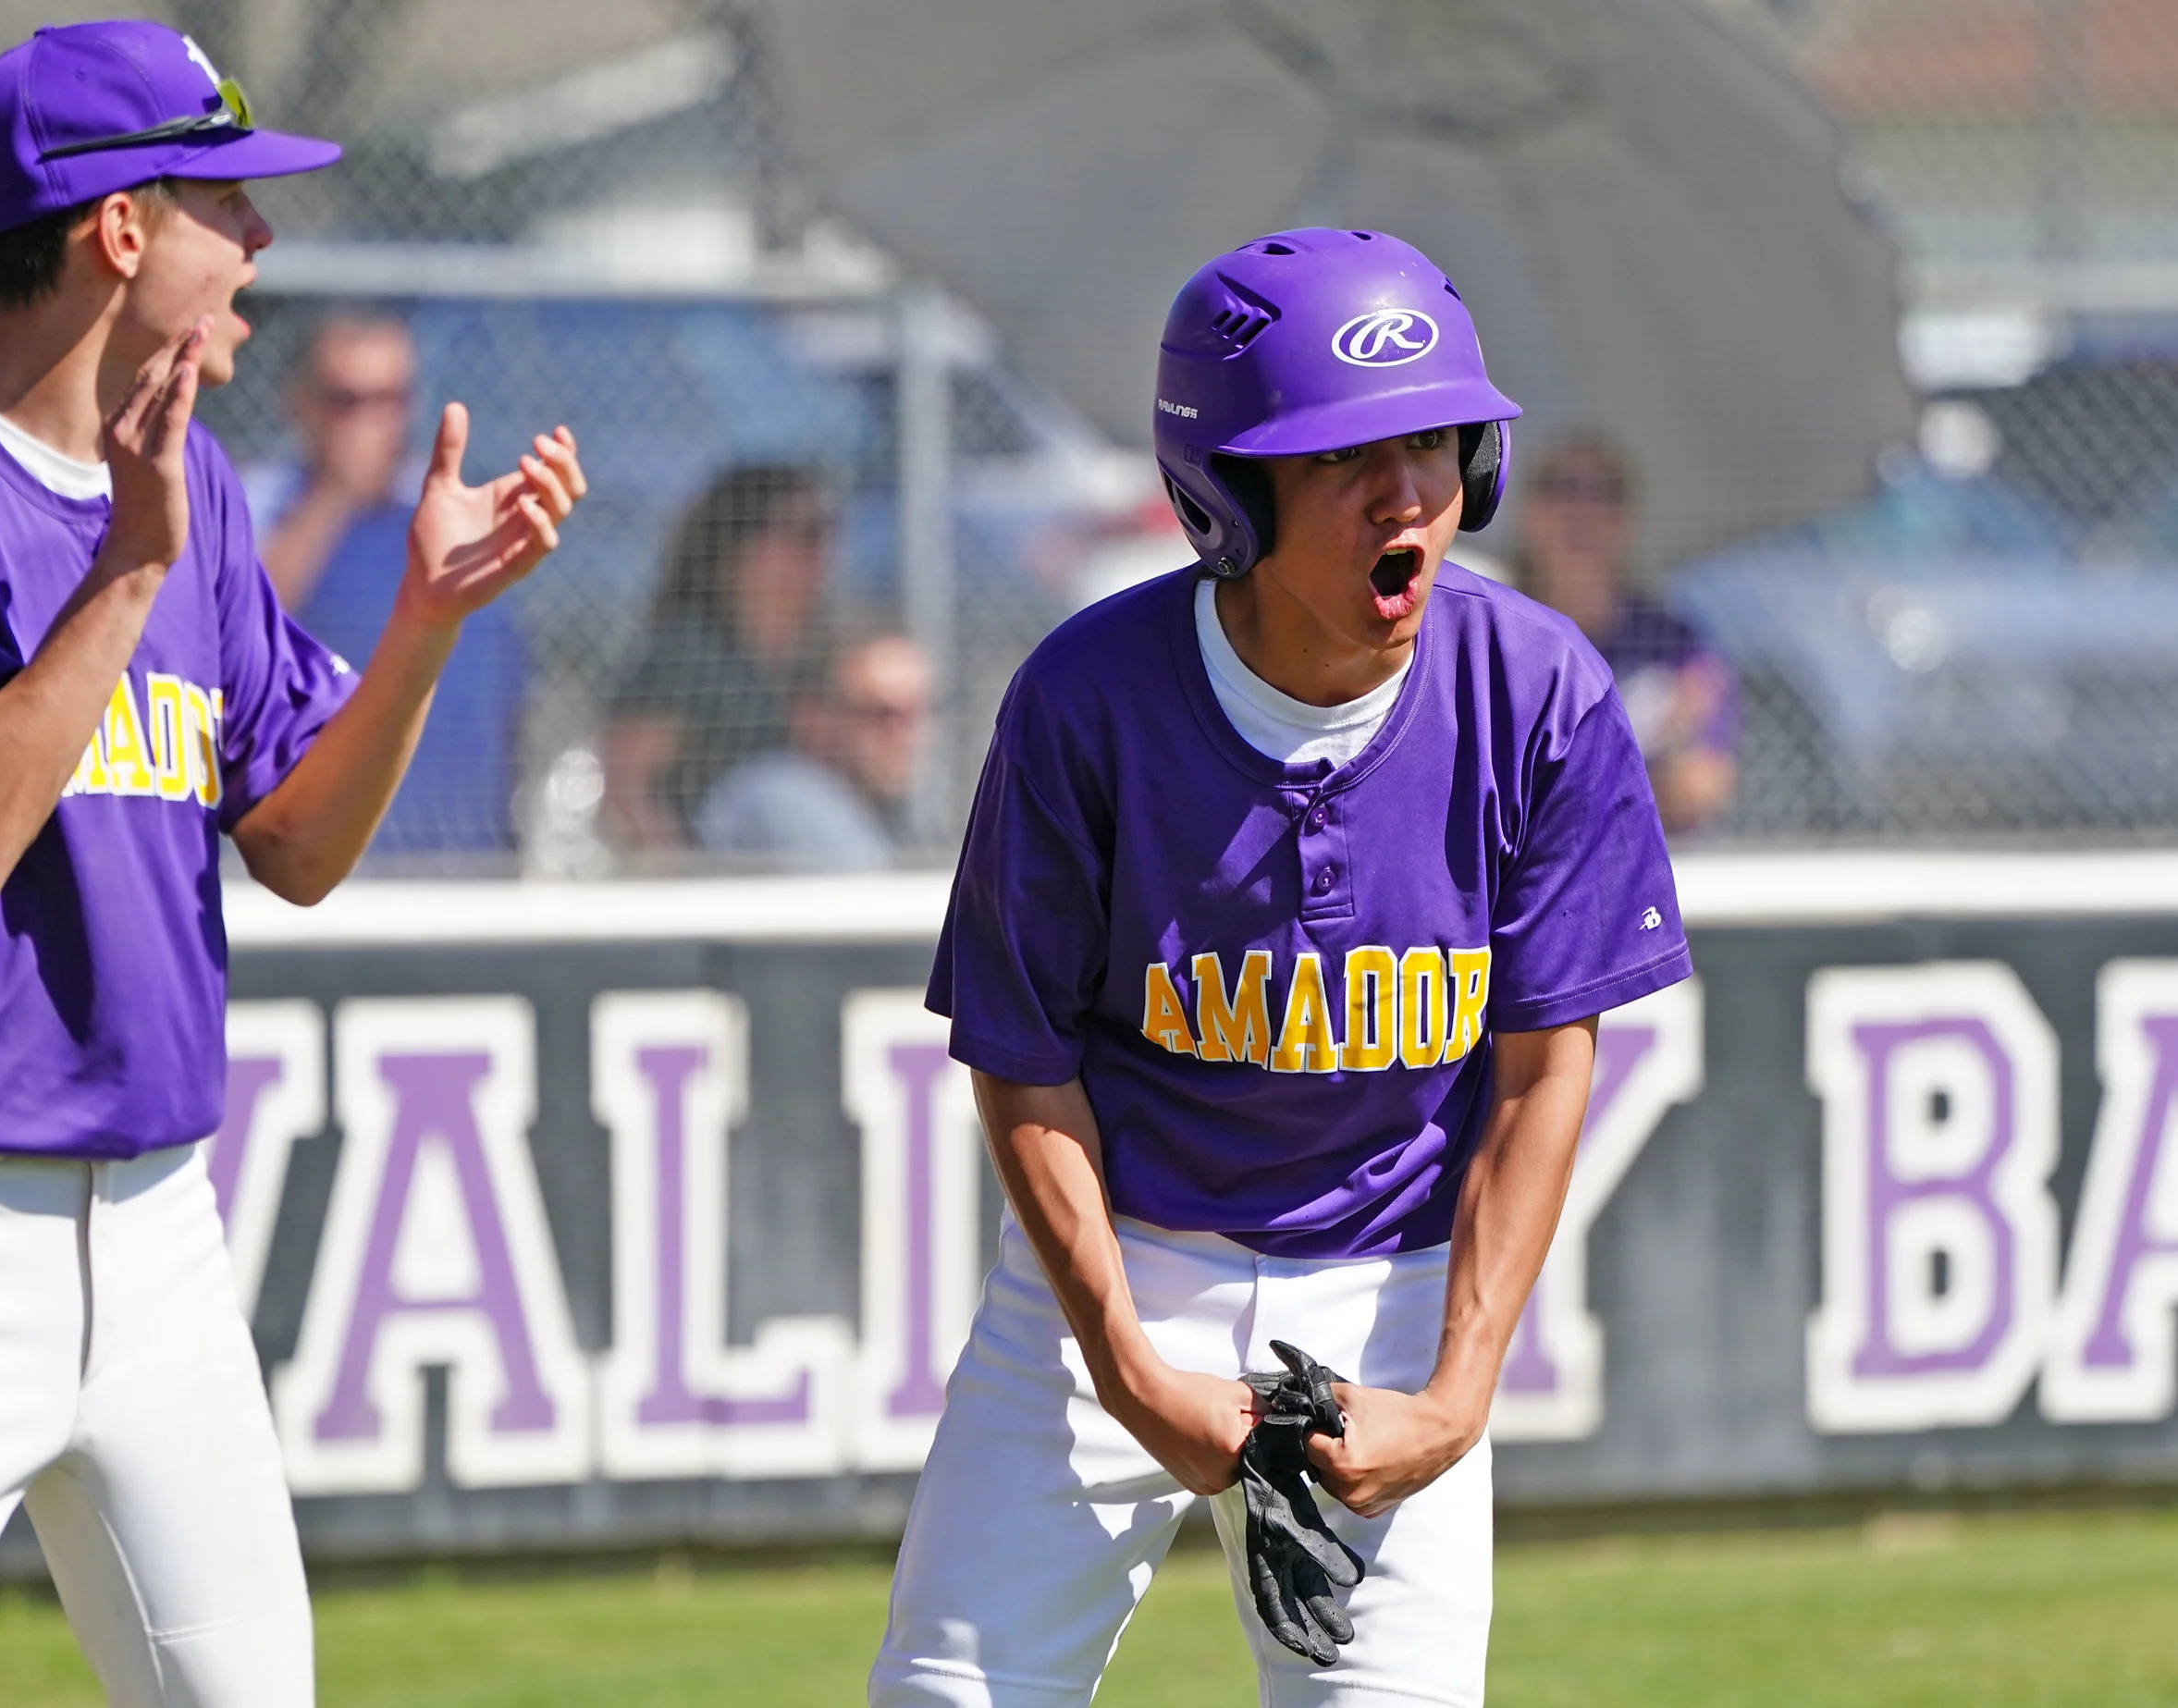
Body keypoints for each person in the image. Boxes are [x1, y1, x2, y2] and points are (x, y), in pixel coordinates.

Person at [0, 22, 585, 1705]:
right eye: (226, 201)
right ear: (119, 228)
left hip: (164, 1225)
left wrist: (421, 620)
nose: (257, 241)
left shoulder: (189, 482)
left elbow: (301, 845)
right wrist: (125, 569)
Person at [871, 229, 1692, 1705]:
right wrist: (1124, 1359)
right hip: (1120, 1269)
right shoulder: (1089, 698)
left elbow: (1543, 1061)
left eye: (1436, 440)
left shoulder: (1536, 688)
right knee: (948, 1693)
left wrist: (1452, 1395)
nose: (1410, 494)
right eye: (1345, 458)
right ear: (1226, 500)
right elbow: (1023, 1051)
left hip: (1392, 1279)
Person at [252, 313, 526, 857]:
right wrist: (334, 497)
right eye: (349, 401)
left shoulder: (444, 511)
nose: (375, 423)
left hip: (461, 855)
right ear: (300, 403)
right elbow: (237, 629)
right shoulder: (259, 502)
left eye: (392, 400)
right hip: (322, 858)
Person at [598, 462, 835, 850]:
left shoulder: (823, 657)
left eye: (826, 533)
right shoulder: (689, 655)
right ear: (738, 547)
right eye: (803, 534)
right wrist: (684, 877)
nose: (820, 553)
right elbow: (625, 788)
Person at [1513, 432, 1739, 832]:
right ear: (1527, 513)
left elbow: (1701, 789)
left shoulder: (1673, 645)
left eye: (1603, 492)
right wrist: (1642, 753)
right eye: (1561, 488)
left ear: (1628, 519)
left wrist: (1681, 741)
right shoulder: (1492, 635)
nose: (1581, 510)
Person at [694, 629, 932, 868]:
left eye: (918, 714)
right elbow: (867, 897)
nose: (909, 737)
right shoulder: (783, 795)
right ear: (812, 718)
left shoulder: (885, 812)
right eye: (883, 715)